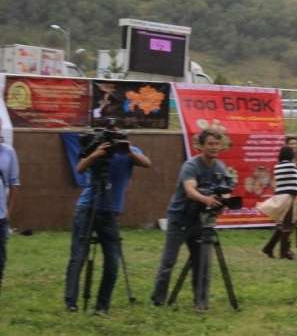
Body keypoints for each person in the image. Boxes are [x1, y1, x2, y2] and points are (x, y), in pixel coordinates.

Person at [64, 117, 151, 315]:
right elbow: (80, 168)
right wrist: (96, 154)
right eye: (109, 131)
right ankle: (71, 302)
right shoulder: (95, 147)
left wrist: (129, 152)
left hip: (111, 212)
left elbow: (147, 163)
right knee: (78, 257)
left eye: (116, 131)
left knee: (112, 261)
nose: (113, 136)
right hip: (87, 208)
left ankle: (102, 307)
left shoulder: (127, 150)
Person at [151, 130, 229, 311]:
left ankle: (200, 302)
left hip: (199, 221)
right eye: (210, 144)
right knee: (169, 261)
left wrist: (223, 201)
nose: (214, 147)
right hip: (180, 218)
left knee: (202, 262)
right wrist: (207, 200)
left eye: (217, 144)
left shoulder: (219, 167)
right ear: (201, 146)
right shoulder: (191, 166)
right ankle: (158, 300)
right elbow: (190, 190)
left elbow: (225, 188)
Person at [260, 146, 297, 260]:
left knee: (282, 225)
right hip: (288, 197)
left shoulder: (277, 166)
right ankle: (284, 251)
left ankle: (269, 247)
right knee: (288, 225)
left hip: (280, 196)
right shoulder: (292, 166)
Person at [0, 121, 20, 296]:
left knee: (0, 259)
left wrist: (8, 213)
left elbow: (14, 184)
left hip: (0, 216)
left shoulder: (8, 153)